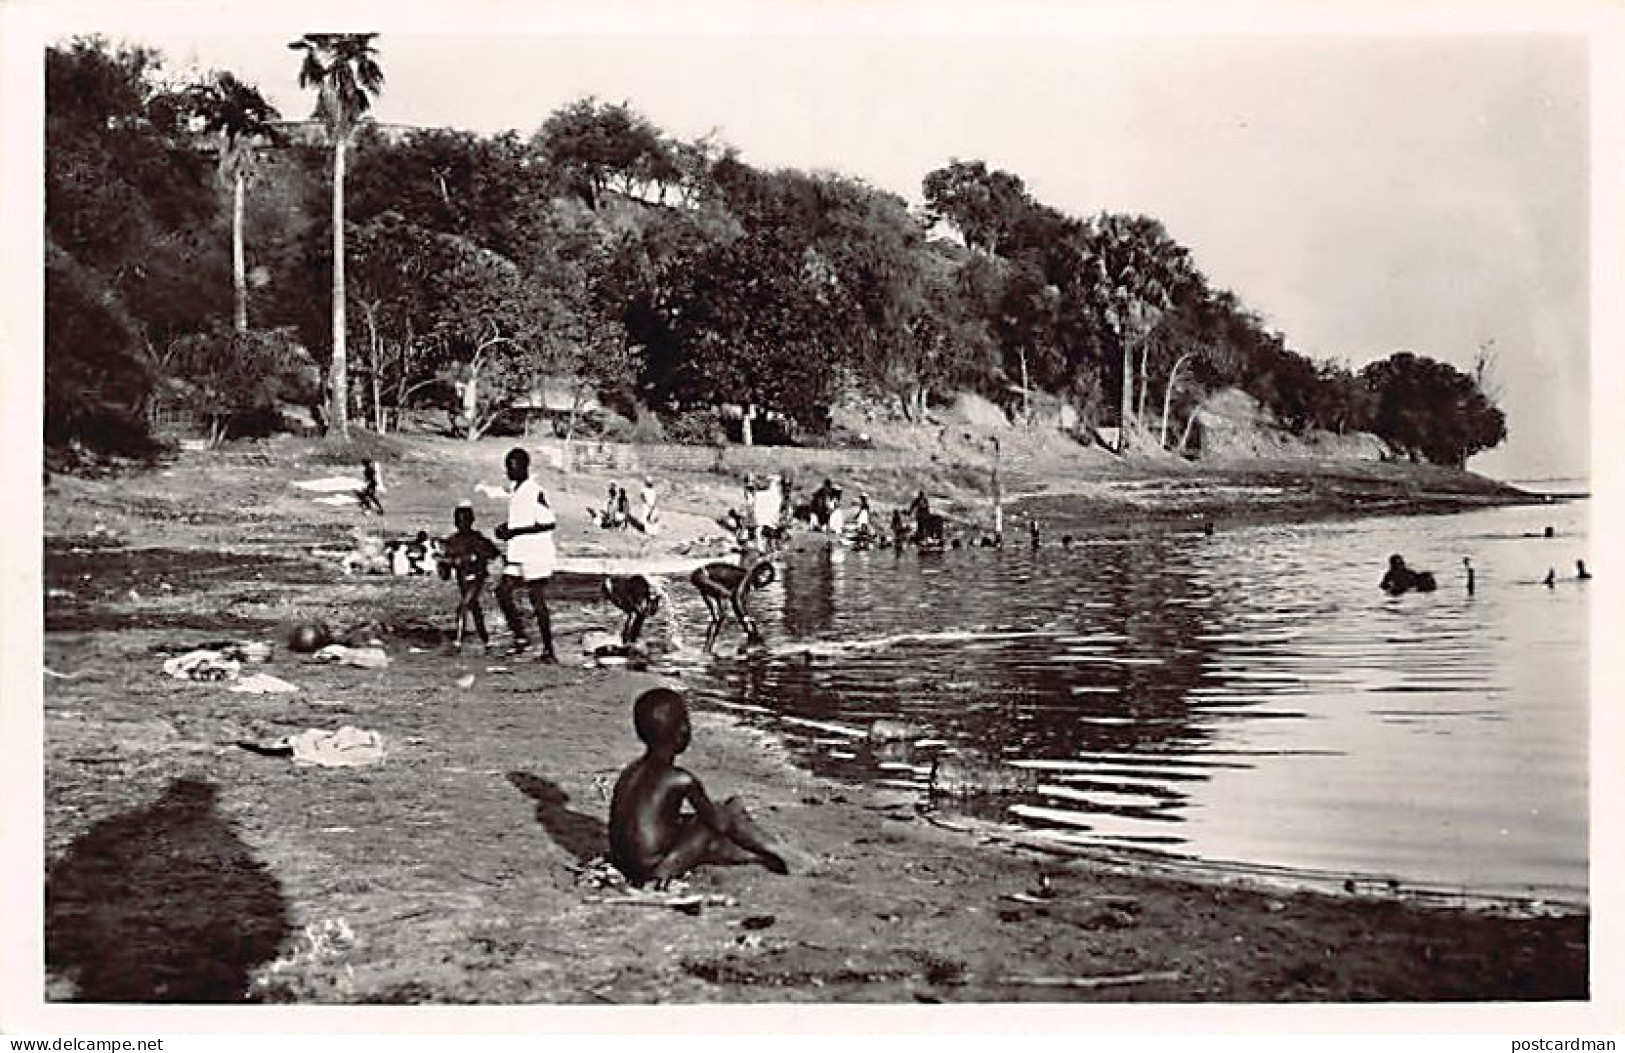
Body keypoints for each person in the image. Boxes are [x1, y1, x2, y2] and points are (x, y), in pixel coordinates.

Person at [608, 688, 790, 886]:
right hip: (656, 869)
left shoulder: (630, 773)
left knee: (698, 828)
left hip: (626, 863)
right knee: (724, 814)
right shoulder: (680, 779)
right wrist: (734, 810)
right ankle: (781, 852)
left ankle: (761, 858)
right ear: (682, 732)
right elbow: (719, 823)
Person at [494, 448, 559, 662]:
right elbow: (523, 521)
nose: (509, 471)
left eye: (512, 466)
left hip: (537, 552)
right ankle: (521, 637)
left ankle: (548, 650)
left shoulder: (535, 491)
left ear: (524, 466)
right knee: (503, 591)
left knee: (536, 599)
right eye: (507, 467)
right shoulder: (517, 490)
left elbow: (549, 522)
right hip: (519, 550)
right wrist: (507, 528)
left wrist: (514, 531)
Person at [438, 502, 501, 653]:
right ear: (455, 522)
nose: (462, 524)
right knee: (474, 609)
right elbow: (445, 572)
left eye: (465, 520)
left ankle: (458, 643)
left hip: (477, 578)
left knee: (464, 606)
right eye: (460, 521)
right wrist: (445, 564)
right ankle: (486, 640)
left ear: (471, 521)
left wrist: (477, 558)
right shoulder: (452, 541)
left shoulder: (478, 539)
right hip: (463, 579)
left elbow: (494, 553)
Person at [690, 557, 776, 651]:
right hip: (702, 576)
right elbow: (737, 599)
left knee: (718, 617)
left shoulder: (745, 580)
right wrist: (745, 618)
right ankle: (753, 639)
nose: (762, 579)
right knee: (729, 596)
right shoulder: (746, 577)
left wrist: (746, 619)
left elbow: (739, 603)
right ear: (757, 572)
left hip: (702, 577)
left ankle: (707, 649)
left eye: (766, 578)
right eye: (762, 575)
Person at [603, 574, 662, 645]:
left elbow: (650, 611)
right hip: (619, 586)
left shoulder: (650, 595)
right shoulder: (629, 592)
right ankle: (628, 640)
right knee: (636, 613)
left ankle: (629, 640)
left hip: (625, 586)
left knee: (639, 614)